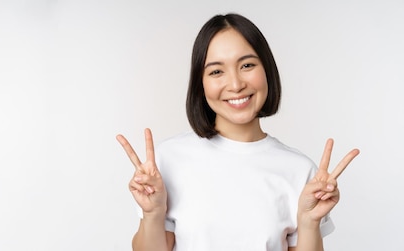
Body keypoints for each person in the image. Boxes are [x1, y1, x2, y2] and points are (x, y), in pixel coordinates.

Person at [116, 13, 360, 251]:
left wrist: (309, 224)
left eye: (247, 65)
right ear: (200, 83)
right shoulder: (169, 159)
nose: (235, 84)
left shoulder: (300, 171)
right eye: (216, 71)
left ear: (267, 69)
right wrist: (153, 213)